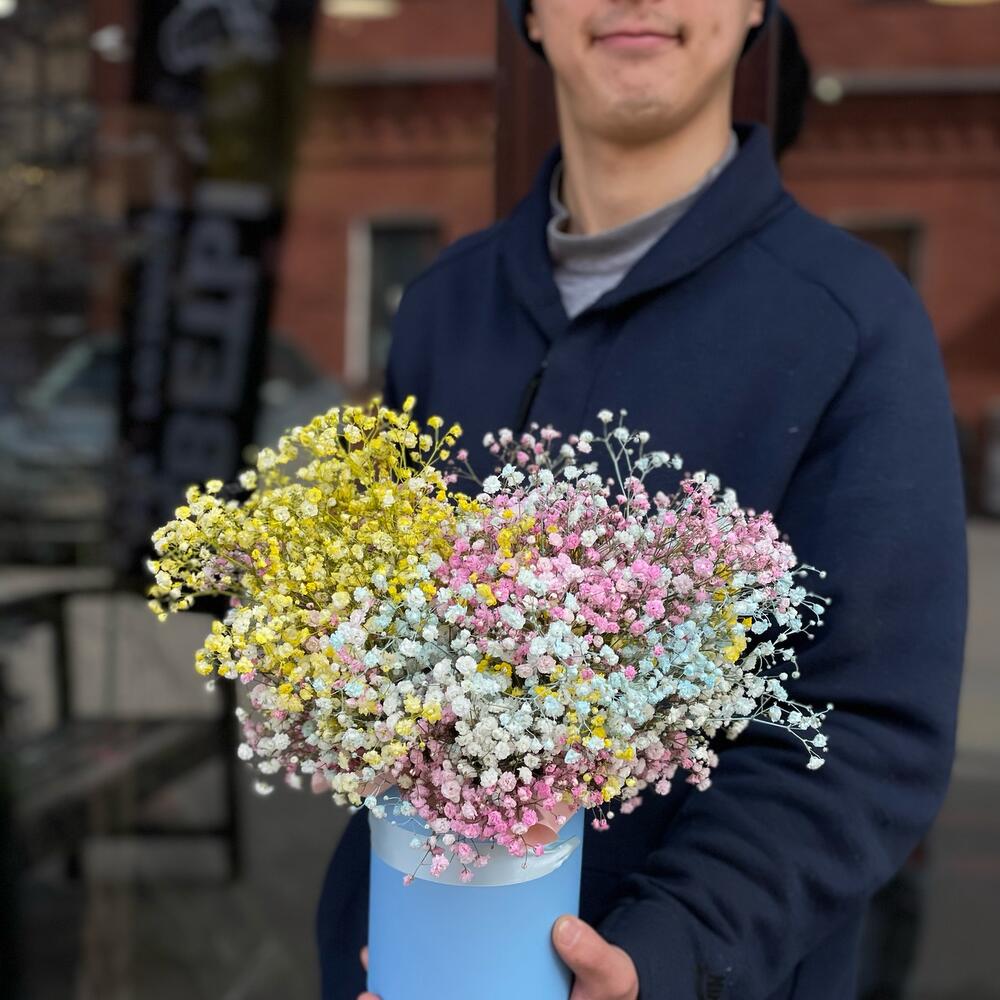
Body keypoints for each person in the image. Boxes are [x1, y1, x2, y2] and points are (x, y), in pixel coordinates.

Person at [316, 2, 969, 997]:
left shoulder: (849, 322)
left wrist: (666, 953)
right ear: (531, 15)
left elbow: (864, 730)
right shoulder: (444, 304)